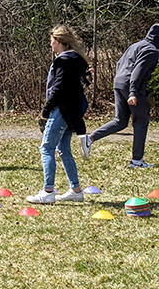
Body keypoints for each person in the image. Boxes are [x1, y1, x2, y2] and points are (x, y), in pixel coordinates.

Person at [79, 23, 159, 168]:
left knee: (120, 121)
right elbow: (137, 73)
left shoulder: (136, 45)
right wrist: (133, 92)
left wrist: (120, 80)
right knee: (141, 122)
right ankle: (136, 161)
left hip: (119, 82)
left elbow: (119, 63)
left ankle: (90, 138)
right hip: (132, 86)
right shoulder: (151, 51)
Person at [27, 25, 90, 204]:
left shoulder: (63, 61)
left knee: (47, 147)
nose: (51, 46)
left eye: (52, 42)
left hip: (61, 109)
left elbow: (58, 88)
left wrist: (46, 111)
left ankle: (48, 191)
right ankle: (76, 190)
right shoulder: (76, 59)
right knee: (63, 149)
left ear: (59, 42)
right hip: (73, 110)